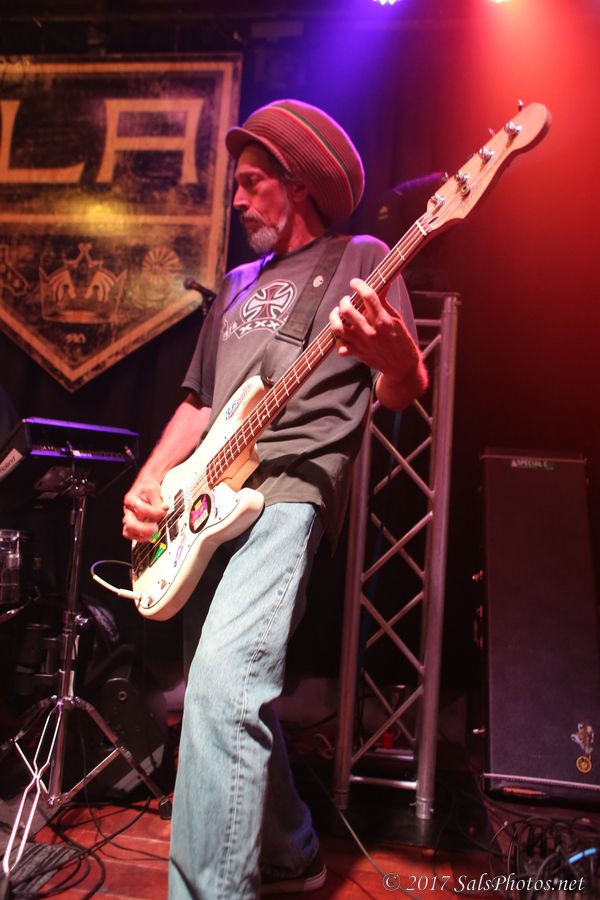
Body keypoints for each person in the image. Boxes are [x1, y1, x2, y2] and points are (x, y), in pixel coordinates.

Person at [122, 98, 428, 899]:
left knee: (225, 688)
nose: (237, 198)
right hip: (205, 508)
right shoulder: (234, 285)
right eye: (237, 184)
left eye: (253, 182)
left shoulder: (361, 257)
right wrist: (152, 480)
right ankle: (291, 852)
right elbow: (198, 404)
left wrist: (399, 358)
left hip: (288, 491)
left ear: (298, 185)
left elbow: (399, 390)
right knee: (220, 691)